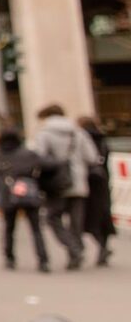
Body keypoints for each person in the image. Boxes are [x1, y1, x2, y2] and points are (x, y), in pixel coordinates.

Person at [32, 104, 96, 270]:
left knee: (53, 218)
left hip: (55, 183)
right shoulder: (78, 132)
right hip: (78, 181)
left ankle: (73, 249)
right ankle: (76, 250)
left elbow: (39, 157)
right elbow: (91, 157)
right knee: (76, 221)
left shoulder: (44, 134)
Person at [0, 126, 51, 272]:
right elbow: (47, 164)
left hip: (7, 194)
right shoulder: (28, 154)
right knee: (36, 229)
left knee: (9, 228)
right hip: (29, 192)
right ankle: (43, 260)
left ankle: (9, 258)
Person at [78, 116, 117, 266]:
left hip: (88, 183)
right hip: (102, 182)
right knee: (103, 216)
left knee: (90, 218)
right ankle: (103, 247)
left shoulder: (82, 139)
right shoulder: (102, 139)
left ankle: (101, 247)